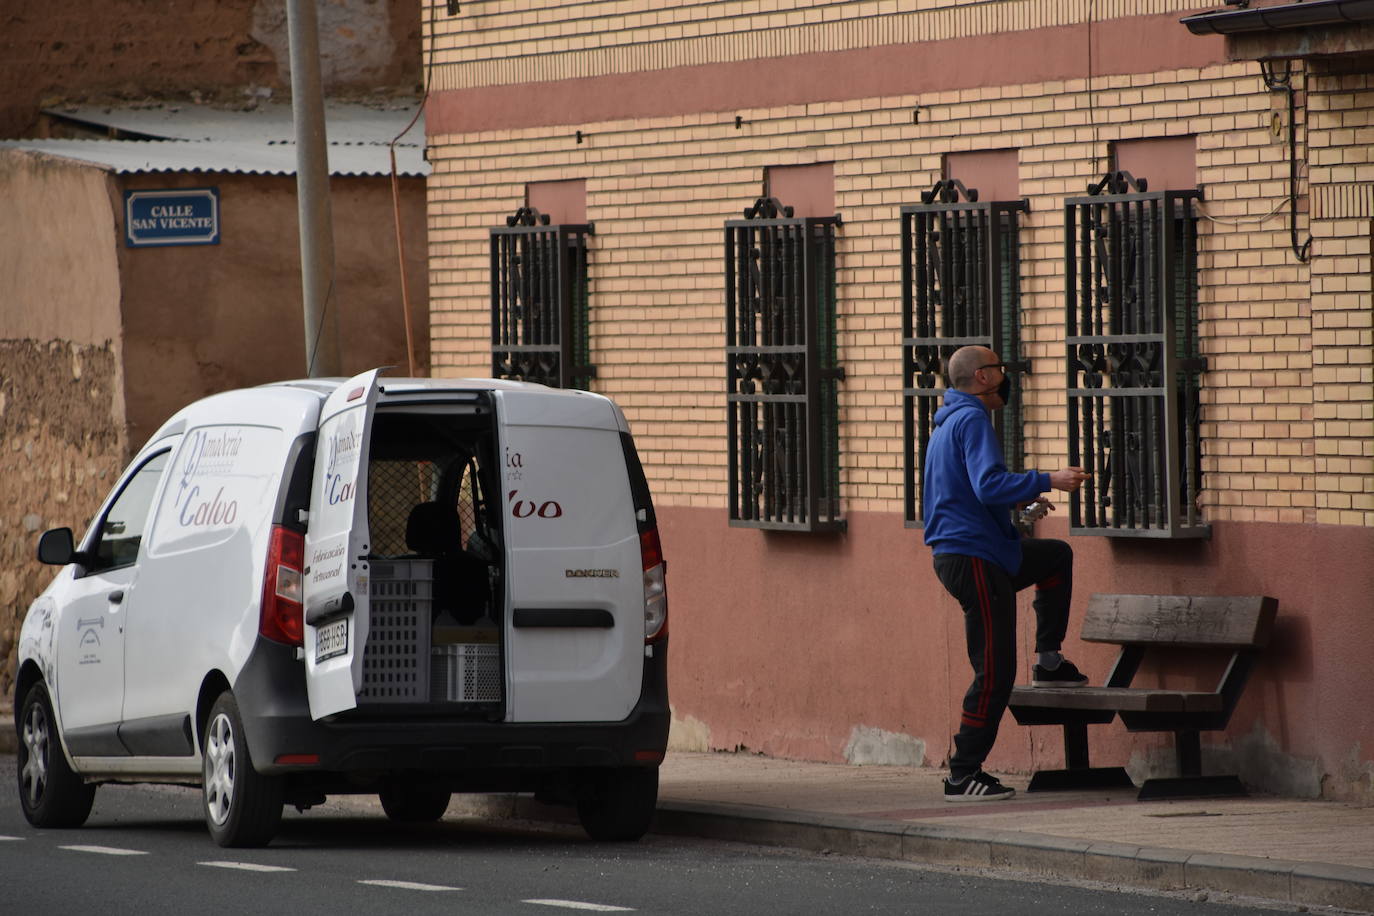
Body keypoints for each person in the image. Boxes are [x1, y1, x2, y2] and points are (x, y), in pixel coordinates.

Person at [923, 346, 1091, 802]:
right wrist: (1047, 478)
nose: (1006, 376)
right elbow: (987, 484)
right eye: (1000, 368)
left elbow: (971, 494)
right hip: (973, 558)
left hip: (981, 552)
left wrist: (1021, 504)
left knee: (1054, 556)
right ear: (982, 377)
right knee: (994, 670)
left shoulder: (948, 422)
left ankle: (1049, 661)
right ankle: (963, 774)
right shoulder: (972, 419)